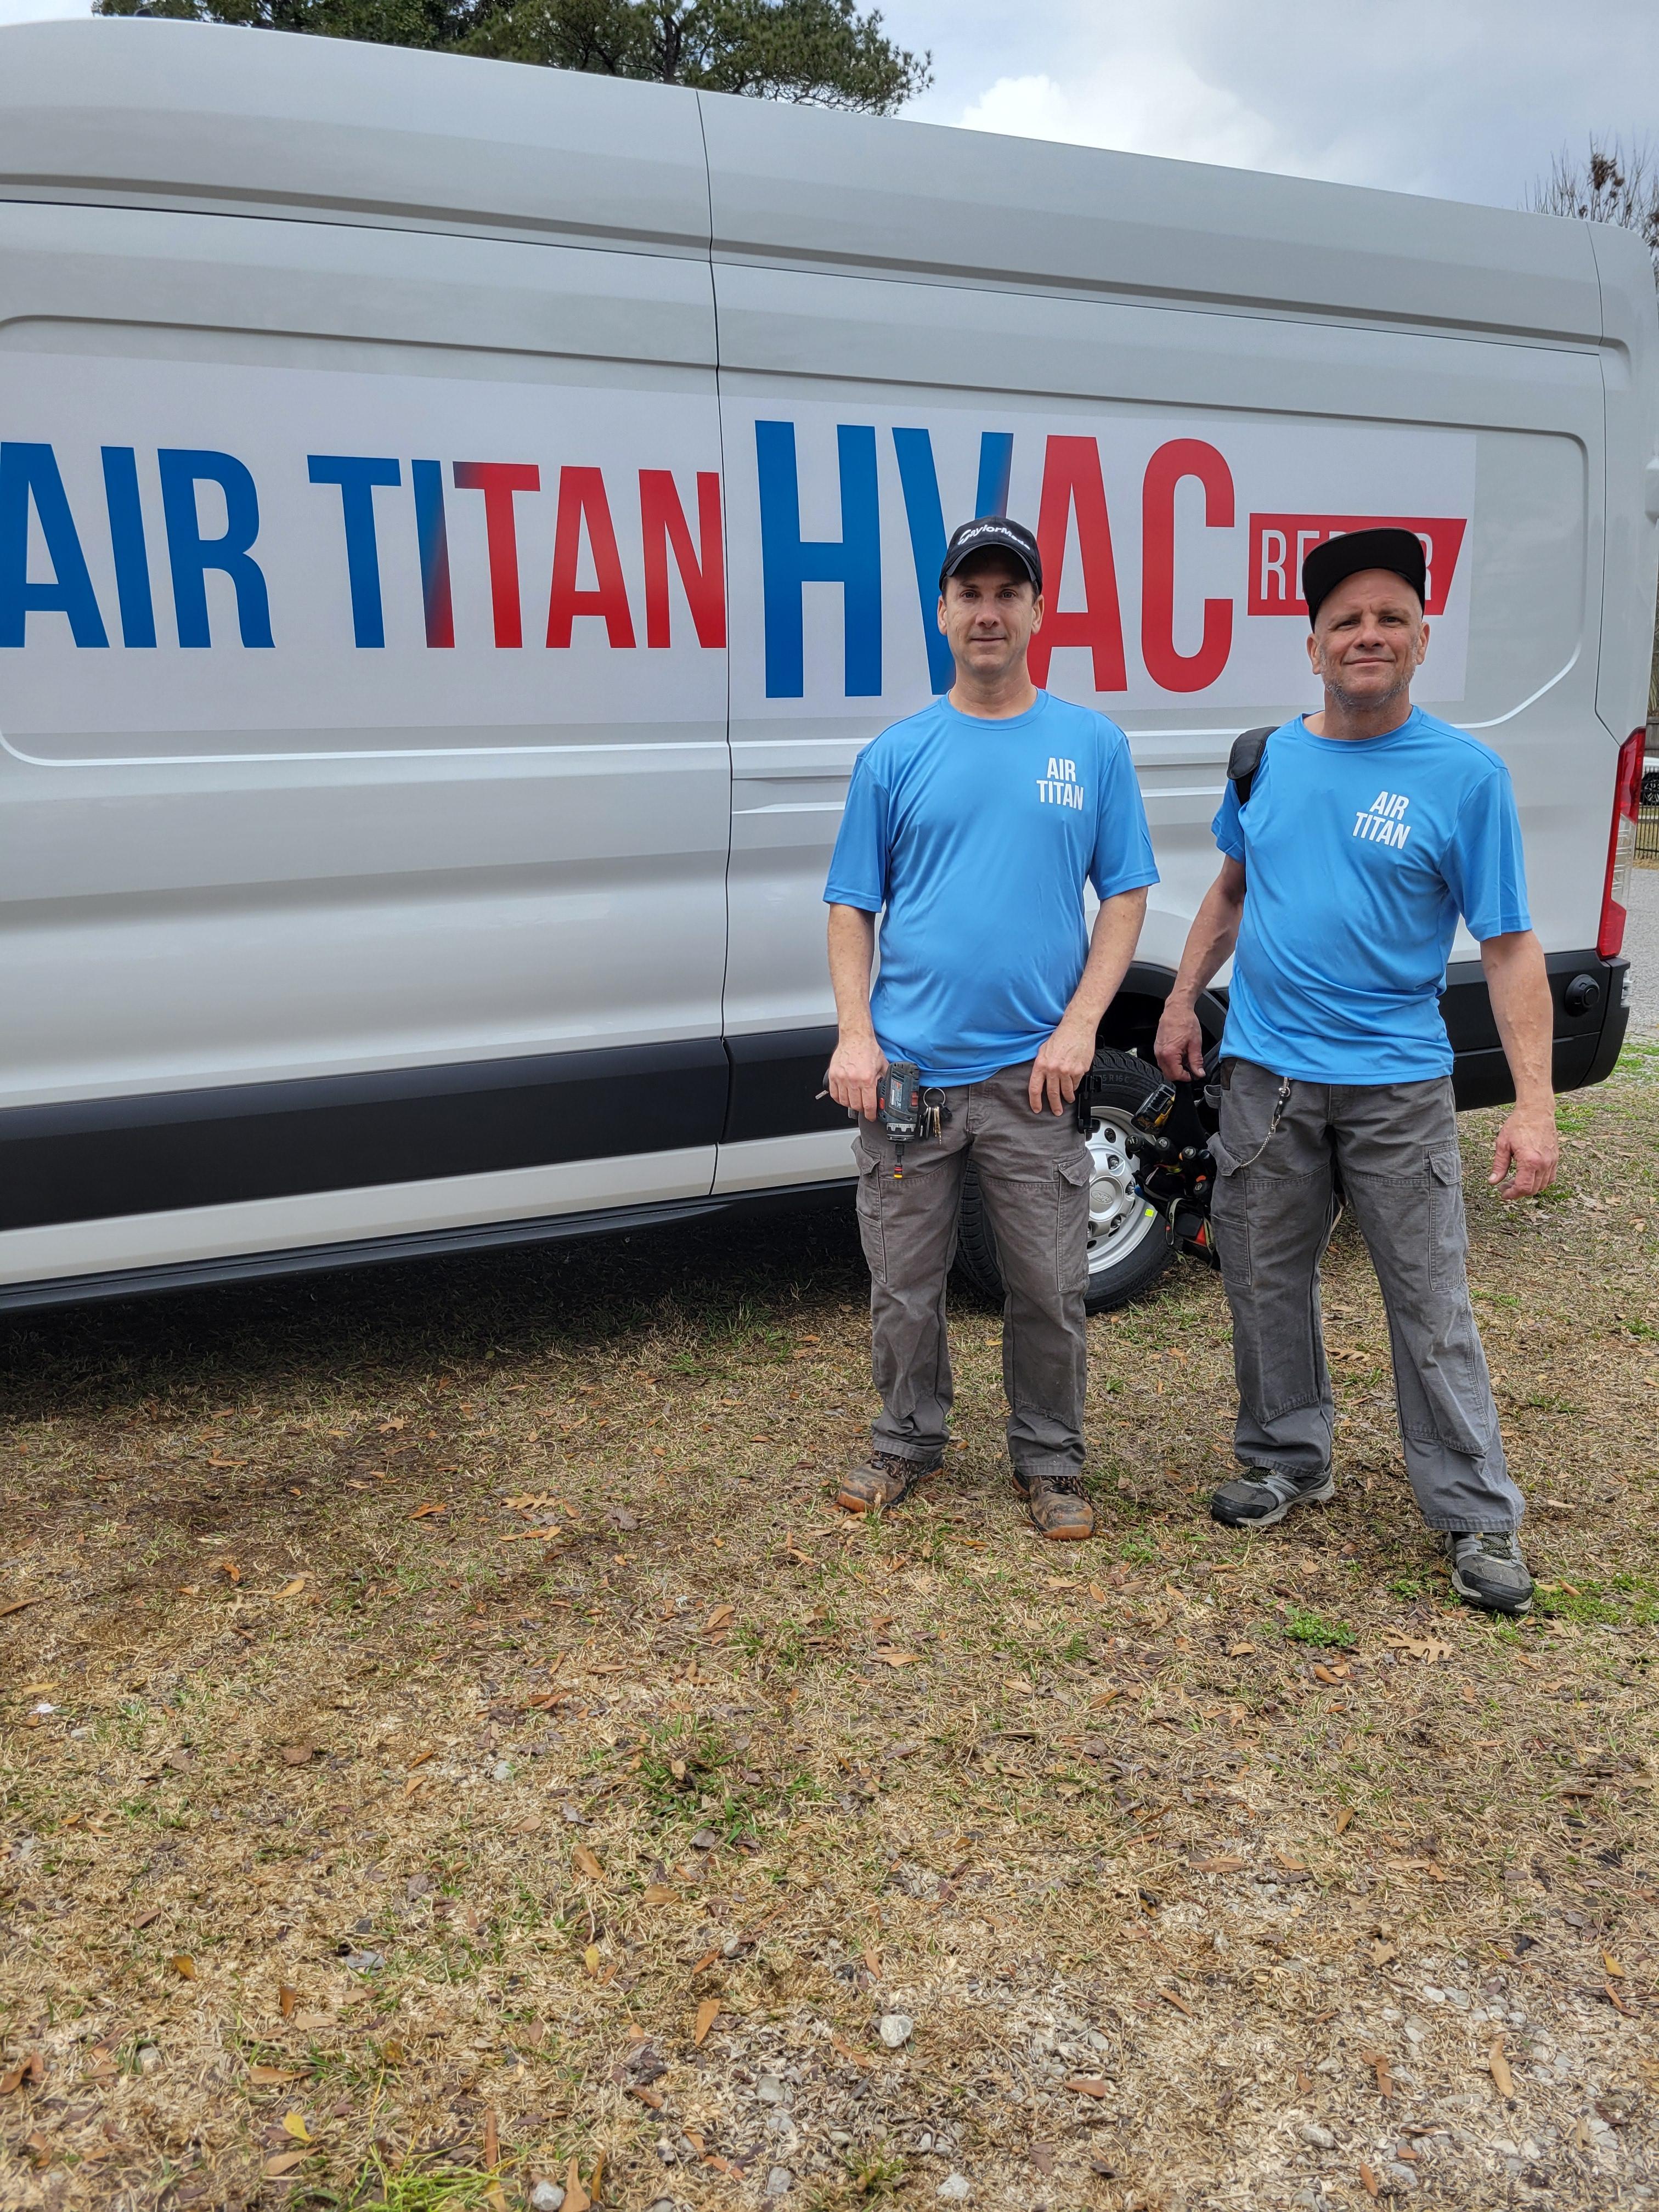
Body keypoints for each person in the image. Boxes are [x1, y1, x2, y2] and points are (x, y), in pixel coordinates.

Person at [1154, 527, 1556, 1616]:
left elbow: (1511, 943)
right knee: (1261, 1277)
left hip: (1395, 1088)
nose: (1367, 635)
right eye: (1346, 621)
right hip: (1266, 1082)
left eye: (1389, 619)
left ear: (1423, 641)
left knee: (1428, 1303)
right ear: (1314, 645)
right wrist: (1186, 998)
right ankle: (1287, 1457)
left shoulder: (1465, 777)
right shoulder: (1270, 757)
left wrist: (1533, 1104)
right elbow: (1232, 891)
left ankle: (1475, 1515)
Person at [823, 516, 1158, 1541]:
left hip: (1034, 1078)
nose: (988, 612)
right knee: (906, 1284)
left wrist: (1080, 1026)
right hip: (912, 1079)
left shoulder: (1091, 746)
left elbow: (1128, 894)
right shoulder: (897, 755)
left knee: (1050, 1286)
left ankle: (1051, 1462)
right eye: (970, 593)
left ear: (1038, 612)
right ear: (942, 612)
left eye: (1008, 593)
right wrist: (854, 1037)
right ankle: (904, 1442)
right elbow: (851, 906)